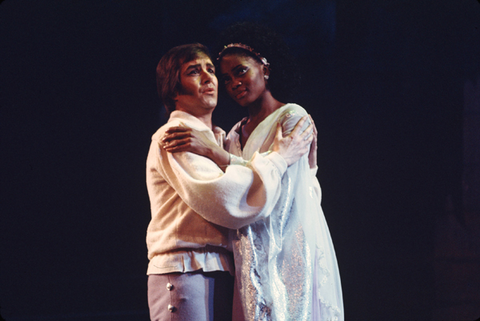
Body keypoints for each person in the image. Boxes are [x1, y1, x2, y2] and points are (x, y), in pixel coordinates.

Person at [162, 23, 344, 320]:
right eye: (227, 77)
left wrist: (214, 153)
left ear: (265, 69)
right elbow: (242, 190)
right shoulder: (234, 135)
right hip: (250, 256)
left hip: (289, 250)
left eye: (241, 71)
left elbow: (282, 197)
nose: (233, 82)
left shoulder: (293, 119)